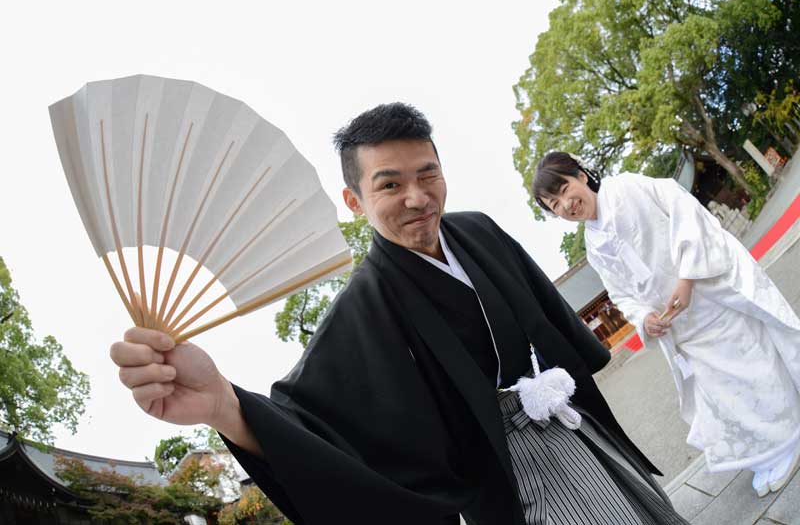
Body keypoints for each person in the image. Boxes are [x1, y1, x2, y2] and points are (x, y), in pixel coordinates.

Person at [111, 105, 689, 525]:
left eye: (427, 174)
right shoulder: (363, 304)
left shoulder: (479, 232)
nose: (417, 197)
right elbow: (311, 421)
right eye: (390, 184)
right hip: (508, 473)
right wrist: (223, 405)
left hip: (567, 422)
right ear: (355, 201)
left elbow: (549, 326)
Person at [531, 152, 800, 497]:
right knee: (727, 390)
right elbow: (621, 293)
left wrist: (687, 278)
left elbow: (685, 211)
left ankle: (788, 439)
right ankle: (767, 450)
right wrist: (644, 317)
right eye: (554, 205)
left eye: (564, 190)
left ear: (581, 176)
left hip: (709, 297)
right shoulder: (593, 245)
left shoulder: (627, 187)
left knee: (752, 365)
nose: (566, 205)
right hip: (681, 327)